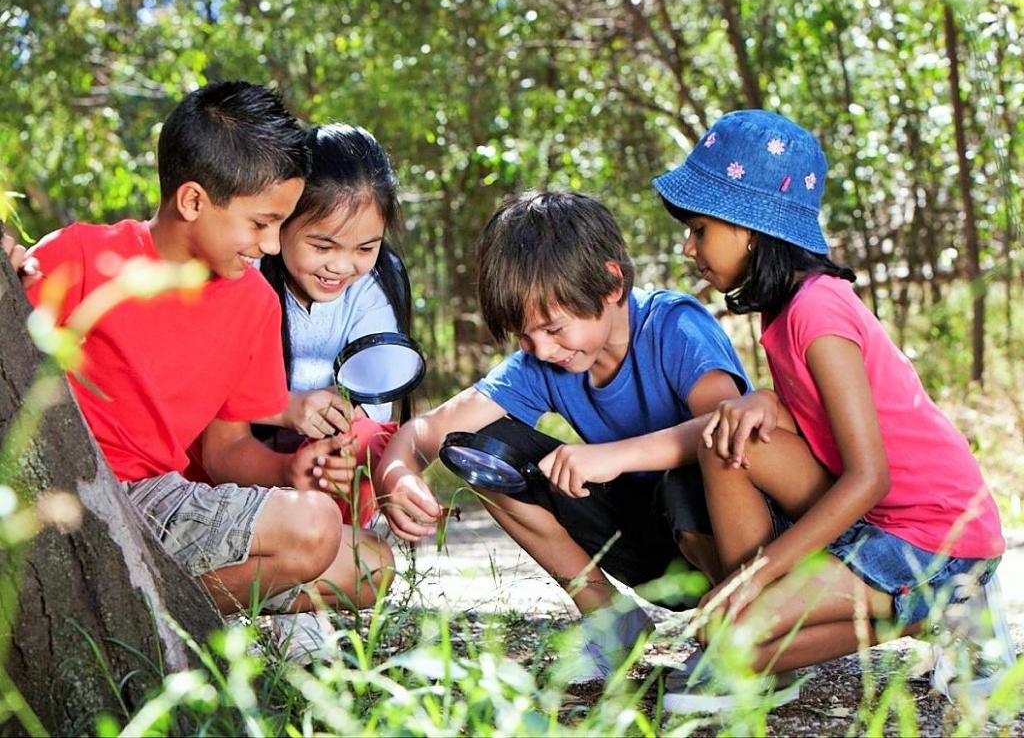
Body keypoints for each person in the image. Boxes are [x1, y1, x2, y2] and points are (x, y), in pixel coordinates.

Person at [651, 109, 1005, 711]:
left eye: (698, 227)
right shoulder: (783, 311)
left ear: (750, 229)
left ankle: (943, 609)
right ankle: (760, 620)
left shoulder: (819, 310)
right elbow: (823, 424)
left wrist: (754, 577)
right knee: (725, 435)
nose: (689, 246)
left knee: (728, 638)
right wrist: (765, 403)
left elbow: (872, 475)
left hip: (933, 535)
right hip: (874, 518)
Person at [2, 82, 393, 619]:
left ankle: (146, 613)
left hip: (159, 499)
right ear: (192, 201)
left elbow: (223, 451)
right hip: (72, 492)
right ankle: (146, 616)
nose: (273, 246)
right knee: (315, 529)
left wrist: (287, 471)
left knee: (372, 565)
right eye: (262, 223)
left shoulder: (254, 303)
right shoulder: (82, 254)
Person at [374, 189, 751, 682]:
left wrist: (611, 457)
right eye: (525, 337)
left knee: (688, 477)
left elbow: (729, 427)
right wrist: (397, 472)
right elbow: (430, 431)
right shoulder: (546, 361)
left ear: (611, 284)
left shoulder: (675, 326)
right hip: (652, 548)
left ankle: (740, 633)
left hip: (727, 542)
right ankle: (611, 621)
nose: (542, 349)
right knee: (477, 450)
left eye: (553, 328)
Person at [193, 124, 411, 530]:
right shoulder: (246, 274)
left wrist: (334, 415)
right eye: (322, 246)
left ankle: (339, 545)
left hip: (322, 451)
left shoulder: (375, 283)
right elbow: (209, 402)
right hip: (239, 452)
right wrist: (284, 407)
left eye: (365, 248)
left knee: (361, 440)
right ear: (280, 223)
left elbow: (371, 403)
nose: (343, 266)